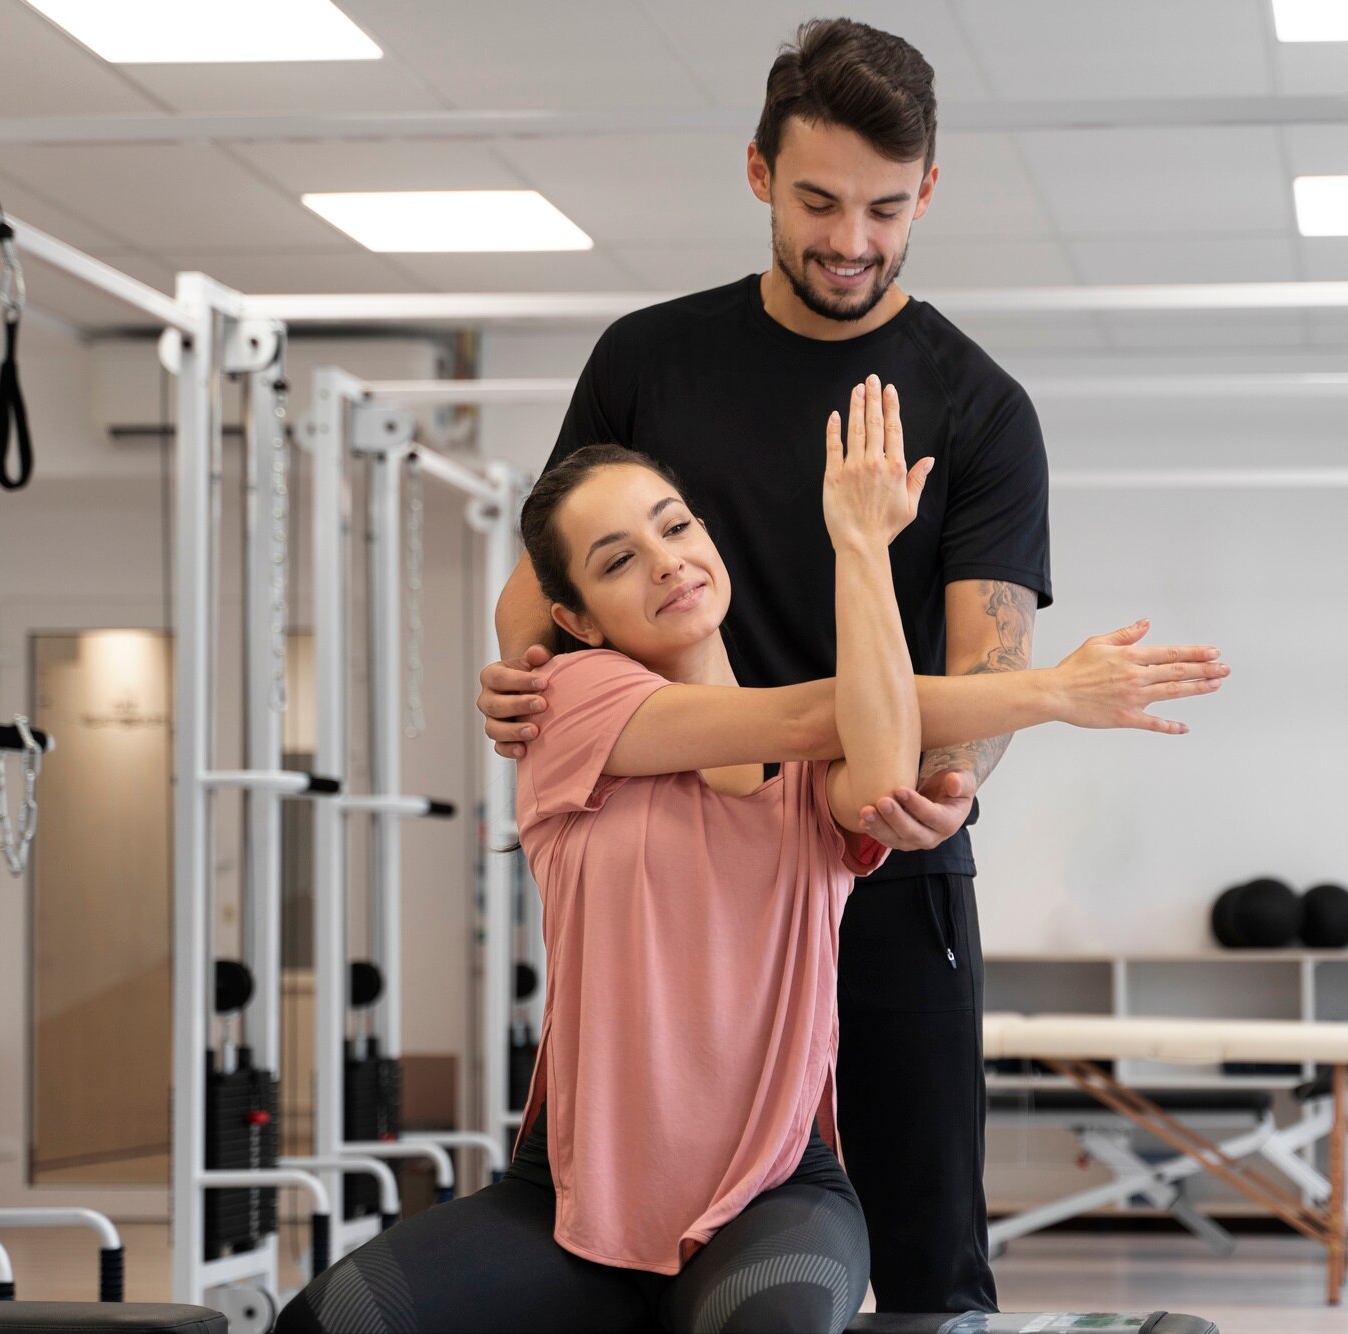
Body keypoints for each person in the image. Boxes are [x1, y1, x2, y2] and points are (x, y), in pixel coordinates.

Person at [280, 382, 1225, 1333]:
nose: (666, 561)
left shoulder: (817, 783)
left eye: (675, 526)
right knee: (331, 1322)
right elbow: (819, 714)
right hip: (569, 1198)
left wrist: (864, 546)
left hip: (774, 1192)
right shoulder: (569, 706)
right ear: (580, 619)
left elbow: (871, 737)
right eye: (618, 560)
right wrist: (1052, 692)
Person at [477, 19, 1056, 1312]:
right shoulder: (648, 359)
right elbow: (544, 582)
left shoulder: (979, 406)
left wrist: (951, 777)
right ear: (757, 173)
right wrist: (518, 671)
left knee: (923, 1266)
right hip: (678, 876)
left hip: (880, 871)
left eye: (885, 209)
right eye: (817, 202)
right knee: (641, 1254)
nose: (851, 239)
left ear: (928, 192)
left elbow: (988, 651)